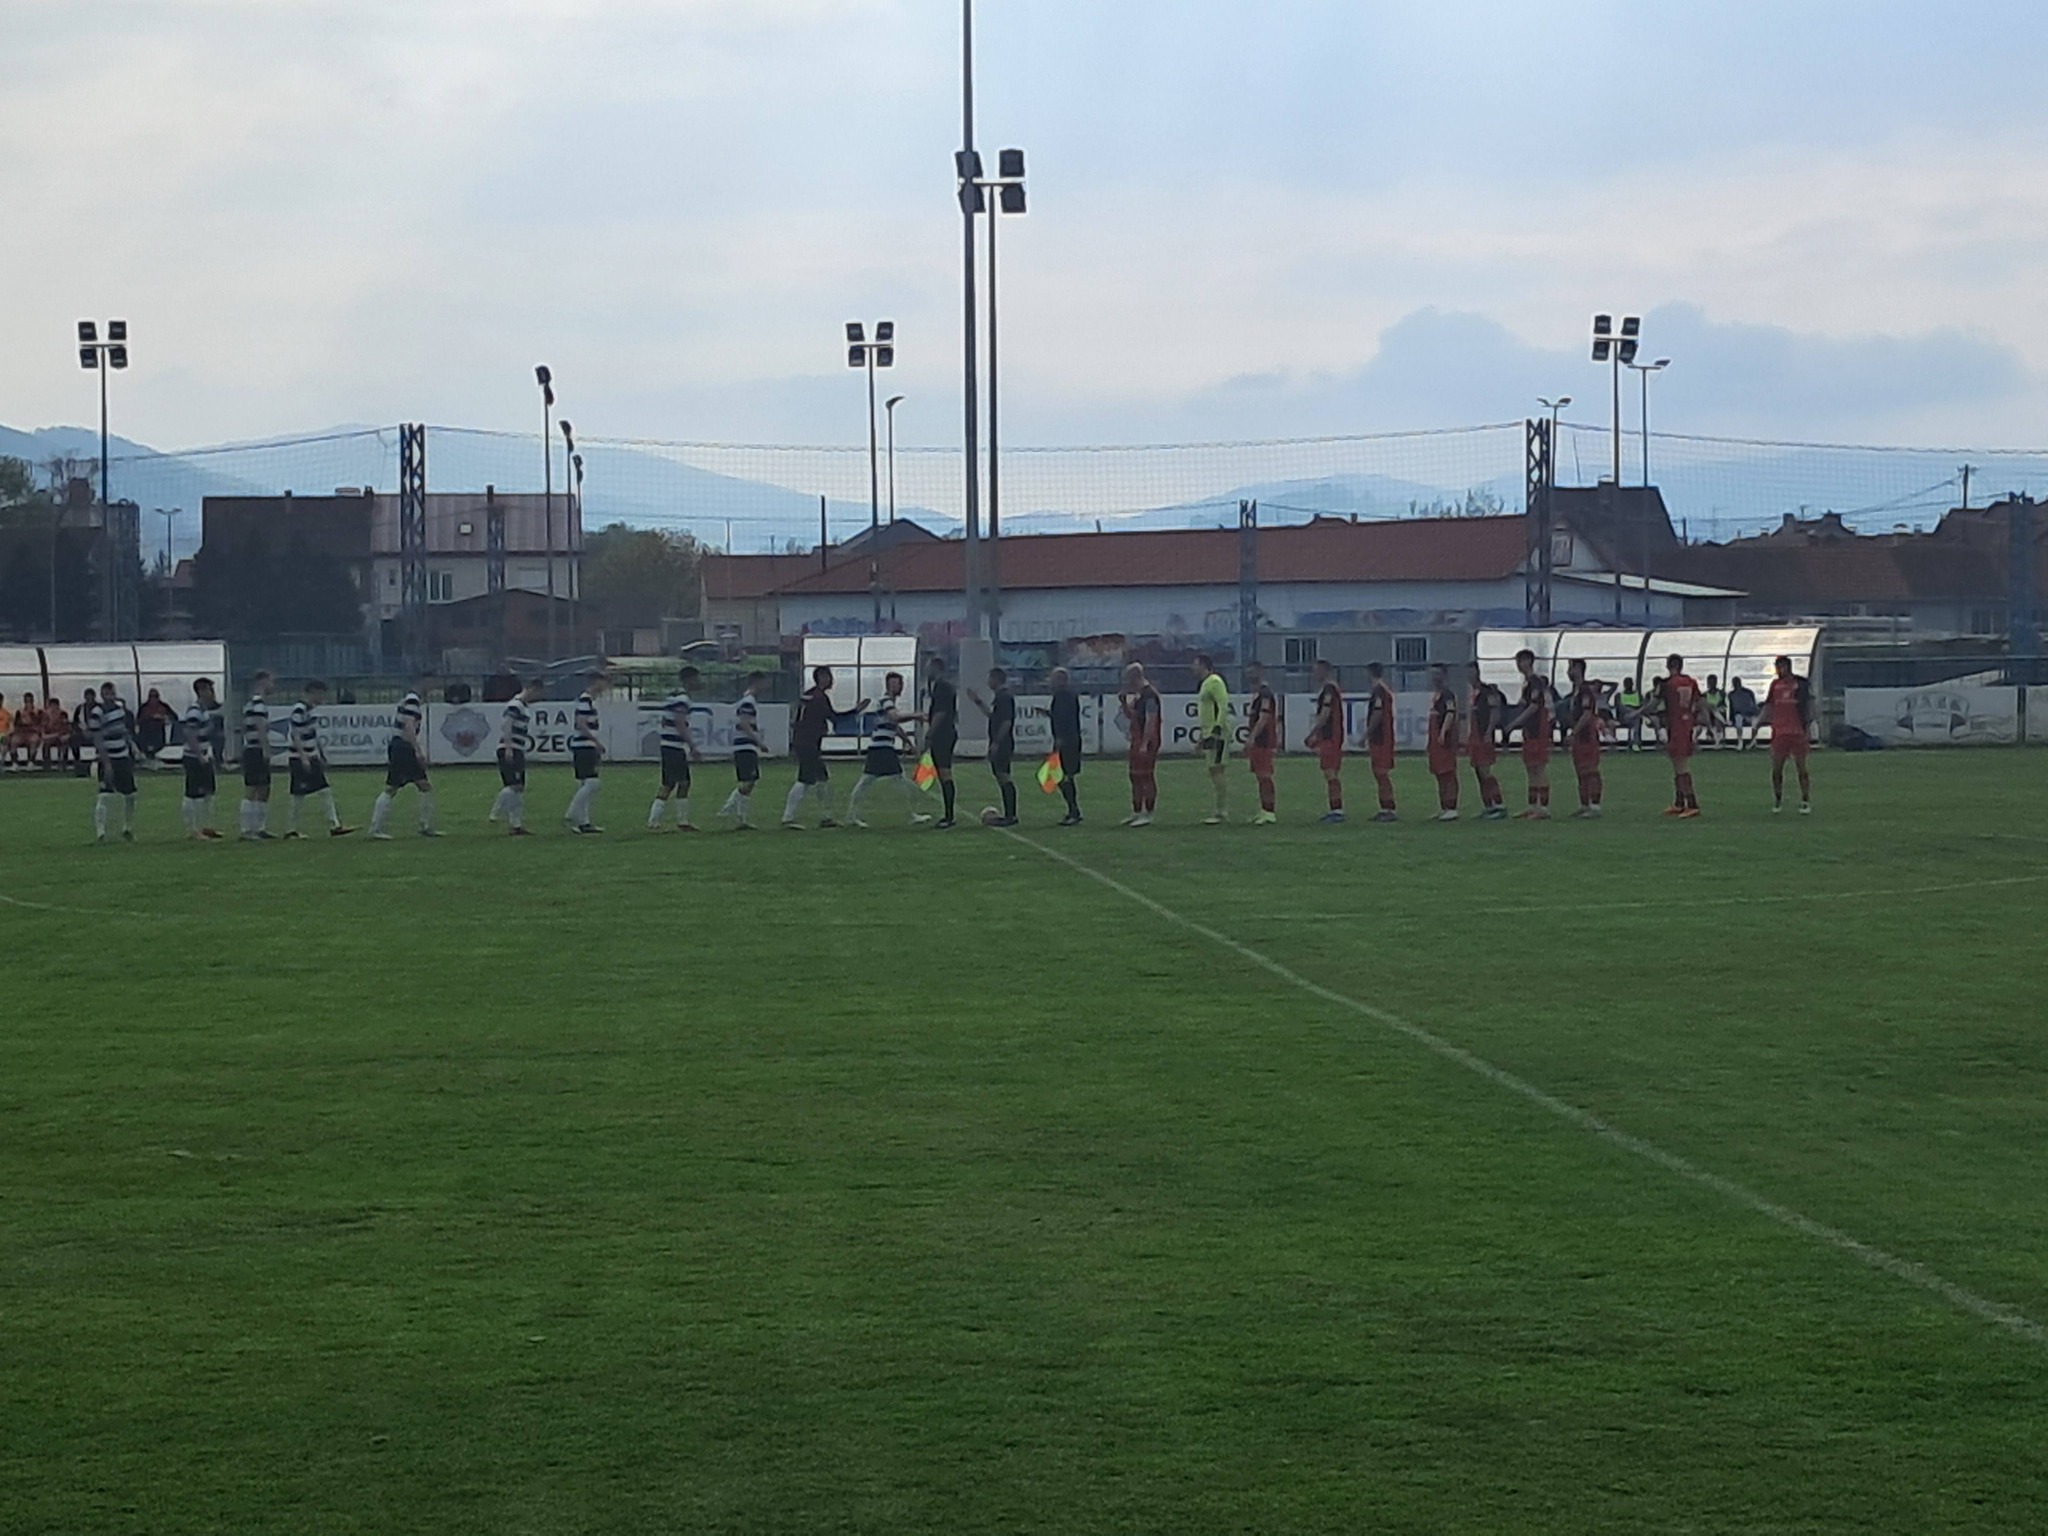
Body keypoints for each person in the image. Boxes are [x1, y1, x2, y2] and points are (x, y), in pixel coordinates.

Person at [847, 671, 932, 828]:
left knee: (869, 782)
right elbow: (895, 718)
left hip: (880, 748)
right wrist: (917, 716)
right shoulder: (886, 701)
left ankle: (852, 815)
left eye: (899, 684)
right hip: (883, 749)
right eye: (894, 684)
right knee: (895, 781)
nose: (898, 687)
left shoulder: (888, 703)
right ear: (888, 686)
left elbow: (895, 726)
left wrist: (907, 742)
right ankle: (910, 815)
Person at [783, 666, 865, 828]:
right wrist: (855, 710)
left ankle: (825, 816)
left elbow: (797, 718)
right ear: (822, 677)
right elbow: (834, 718)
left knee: (821, 777)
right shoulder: (820, 698)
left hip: (802, 740)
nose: (832, 680)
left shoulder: (808, 695)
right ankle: (788, 817)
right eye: (829, 676)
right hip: (809, 742)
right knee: (806, 779)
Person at [370, 677, 440, 839]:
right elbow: (409, 726)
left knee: (423, 786)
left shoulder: (410, 700)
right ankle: (376, 829)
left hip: (401, 747)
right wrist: (417, 750)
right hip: (403, 748)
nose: (433, 687)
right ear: (424, 682)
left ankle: (425, 826)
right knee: (393, 788)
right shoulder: (412, 701)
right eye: (431, 683)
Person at [285, 679, 354, 838]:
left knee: (322, 790)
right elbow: (295, 735)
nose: (323, 697)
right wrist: (303, 757)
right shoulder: (299, 710)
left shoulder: (310, 711)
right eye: (321, 694)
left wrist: (320, 754)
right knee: (300, 793)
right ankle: (292, 829)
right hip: (300, 757)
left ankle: (333, 825)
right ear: (312, 692)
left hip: (310, 756)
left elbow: (312, 735)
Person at [649, 665, 702, 832]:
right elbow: (680, 723)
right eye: (696, 679)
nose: (698, 682)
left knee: (669, 783)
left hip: (668, 745)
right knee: (682, 782)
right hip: (674, 746)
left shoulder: (673, 696)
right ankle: (680, 821)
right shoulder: (682, 699)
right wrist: (692, 745)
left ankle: (656, 820)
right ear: (690, 679)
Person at [489, 678, 543, 836]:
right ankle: (495, 812)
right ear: (532, 689)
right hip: (511, 748)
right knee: (514, 785)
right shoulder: (515, 705)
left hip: (517, 748)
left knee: (518, 789)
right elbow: (506, 725)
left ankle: (516, 825)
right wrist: (508, 747)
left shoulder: (522, 706)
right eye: (537, 693)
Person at [1652, 653, 1703, 817]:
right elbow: (1699, 702)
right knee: (1677, 764)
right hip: (1686, 723)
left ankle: (1692, 803)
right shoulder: (1690, 682)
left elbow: (1654, 703)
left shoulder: (1667, 684)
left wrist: (1638, 713)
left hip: (1676, 726)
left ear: (1668, 666)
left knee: (1681, 766)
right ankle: (1679, 802)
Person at [966, 666, 1019, 826]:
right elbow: (994, 717)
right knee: (1001, 776)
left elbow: (1006, 722)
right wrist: (978, 702)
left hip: (1003, 743)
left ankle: (1011, 815)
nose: (988, 682)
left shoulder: (1005, 697)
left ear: (996, 679)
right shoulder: (1000, 697)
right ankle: (1009, 814)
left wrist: (997, 742)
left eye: (990, 678)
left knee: (1003, 776)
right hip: (1000, 741)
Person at [716, 671, 768, 829]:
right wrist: (759, 741)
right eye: (764, 682)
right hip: (745, 745)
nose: (766, 686)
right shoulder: (748, 702)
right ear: (757, 682)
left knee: (749, 781)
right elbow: (744, 724)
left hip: (744, 745)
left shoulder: (746, 700)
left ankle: (741, 818)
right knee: (748, 781)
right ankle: (728, 808)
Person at [1506, 648, 1553, 820]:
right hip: (1529, 729)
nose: (1518, 665)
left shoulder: (1535, 682)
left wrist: (1515, 723)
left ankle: (1543, 807)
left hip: (1537, 728)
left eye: (1521, 661)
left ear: (1528, 662)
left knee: (1538, 767)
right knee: (1530, 767)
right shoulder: (1527, 684)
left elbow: (1534, 706)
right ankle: (1533, 805)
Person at [1765, 655, 1814, 814]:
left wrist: (1809, 726)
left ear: (1788, 667)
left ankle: (1805, 800)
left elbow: (1808, 706)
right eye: (1777, 667)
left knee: (1801, 768)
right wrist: (1758, 724)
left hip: (1797, 731)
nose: (1779, 670)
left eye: (1781, 667)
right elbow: (1769, 706)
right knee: (1776, 769)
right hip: (1779, 732)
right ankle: (1778, 799)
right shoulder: (1775, 685)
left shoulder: (1799, 684)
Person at [91, 682, 139, 843]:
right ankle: (101, 832)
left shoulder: (119, 710)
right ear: (102, 695)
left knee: (131, 794)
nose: (110, 696)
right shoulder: (97, 713)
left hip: (122, 756)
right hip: (108, 757)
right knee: (105, 794)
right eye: (106, 693)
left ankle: (127, 828)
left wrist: (132, 745)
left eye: (111, 693)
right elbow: (97, 739)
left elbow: (123, 730)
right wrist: (106, 763)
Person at [562, 669, 607, 834]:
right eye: (603, 682)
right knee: (593, 783)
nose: (605, 686)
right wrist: (595, 742)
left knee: (584, 783)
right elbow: (581, 723)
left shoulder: (589, 701)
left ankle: (584, 822)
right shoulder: (585, 700)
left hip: (585, 745)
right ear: (596, 682)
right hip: (584, 746)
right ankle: (572, 813)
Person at [1118, 662, 1163, 826]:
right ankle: (1137, 811)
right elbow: (1133, 716)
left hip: (1147, 740)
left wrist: (1145, 743)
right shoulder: (1139, 696)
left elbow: (1151, 720)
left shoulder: (1150, 695)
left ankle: (1148, 813)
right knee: (1134, 775)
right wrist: (1124, 703)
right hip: (1137, 739)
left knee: (1146, 775)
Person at [179, 678, 224, 840]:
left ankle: (206, 827)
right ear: (202, 691)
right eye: (210, 690)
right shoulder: (194, 711)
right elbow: (189, 734)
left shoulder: (204, 710)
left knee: (208, 793)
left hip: (205, 755)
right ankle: (193, 830)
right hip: (194, 757)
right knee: (194, 794)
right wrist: (199, 755)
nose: (213, 694)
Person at [1304, 658, 1346, 824]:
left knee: (1330, 772)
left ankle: (1337, 810)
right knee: (1329, 772)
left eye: (1316, 671)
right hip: (1330, 736)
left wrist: (1314, 733)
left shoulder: (1329, 689)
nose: (1314, 674)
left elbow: (1325, 713)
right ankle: (1335, 808)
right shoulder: (1329, 689)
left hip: (1331, 736)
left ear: (1324, 671)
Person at [923, 655, 961, 829]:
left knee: (945, 772)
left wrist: (930, 733)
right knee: (942, 773)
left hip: (943, 734)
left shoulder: (942, 686)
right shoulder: (942, 686)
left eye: (929, 667)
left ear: (936, 668)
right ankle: (948, 814)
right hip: (945, 733)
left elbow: (941, 712)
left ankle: (949, 816)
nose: (926, 670)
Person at [1565, 658, 1605, 819]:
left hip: (1587, 736)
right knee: (1580, 771)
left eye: (1571, 668)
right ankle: (1584, 804)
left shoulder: (1585, 691)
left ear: (1579, 670)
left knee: (1590, 770)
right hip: (1579, 738)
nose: (1568, 672)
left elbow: (1587, 714)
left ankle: (1595, 805)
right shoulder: (1575, 692)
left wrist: (1574, 732)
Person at [238, 670, 276, 841]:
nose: (273, 686)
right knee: (253, 788)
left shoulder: (249, 705)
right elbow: (260, 728)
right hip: (256, 750)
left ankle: (258, 828)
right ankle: (247, 829)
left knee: (263, 788)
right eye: (271, 682)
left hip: (251, 748)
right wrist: (266, 749)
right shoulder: (258, 705)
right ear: (263, 681)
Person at [1465, 665, 1507, 821]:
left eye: (1472, 672)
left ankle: (1499, 804)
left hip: (1483, 735)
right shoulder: (1473, 693)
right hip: (1475, 736)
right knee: (1478, 771)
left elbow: (1495, 712)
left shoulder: (1487, 691)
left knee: (1485, 771)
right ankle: (1488, 806)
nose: (1469, 676)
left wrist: (1489, 731)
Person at [1194, 654, 1231, 824]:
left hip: (1217, 734)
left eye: (1195, 664)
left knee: (1217, 769)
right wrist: (1202, 737)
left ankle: (1221, 811)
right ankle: (1219, 809)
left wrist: (1217, 728)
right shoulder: (1205, 684)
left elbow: (1222, 705)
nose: (1193, 667)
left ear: (1203, 665)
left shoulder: (1215, 682)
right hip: (1209, 732)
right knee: (1213, 770)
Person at [1360, 660, 1398, 822]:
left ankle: (1389, 808)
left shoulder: (1380, 691)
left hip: (1382, 738)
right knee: (1379, 773)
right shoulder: (1381, 691)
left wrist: (1366, 734)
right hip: (1380, 738)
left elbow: (1378, 713)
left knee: (1382, 773)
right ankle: (1384, 807)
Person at [1245, 661, 1280, 825]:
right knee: (1260, 776)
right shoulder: (1258, 694)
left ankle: (1270, 811)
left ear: (1260, 672)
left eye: (1252, 672)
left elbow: (1264, 716)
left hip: (1264, 739)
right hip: (1259, 740)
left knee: (1265, 775)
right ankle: (1264, 809)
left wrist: (1252, 736)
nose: (1249, 676)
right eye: (1248, 673)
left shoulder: (1265, 693)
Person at [1048, 667, 1084, 826]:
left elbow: (1064, 719)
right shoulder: (1067, 695)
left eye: (1054, 679)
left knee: (1063, 775)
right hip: (1070, 739)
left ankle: (1074, 811)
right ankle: (1073, 810)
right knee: (1061, 775)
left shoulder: (1063, 695)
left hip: (1067, 741)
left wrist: (1060, 738)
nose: (1051, 682)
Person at [1425, 664, 1460, 821]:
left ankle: (1452, 807)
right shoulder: (1436, 696)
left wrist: (1443, 732)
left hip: (1444, 739)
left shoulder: (1447, 695)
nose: (1434, 678)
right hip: (1434, 739)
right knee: (1438, 773)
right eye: (1433, 674)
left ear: (1444, 676)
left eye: (1438, 674)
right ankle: (1444, 806)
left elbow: (1450, 713)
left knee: (1448, 772)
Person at [135, 687, 175, 760]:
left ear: (158, 697)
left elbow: (174, 718)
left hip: (159, 733)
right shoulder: (143, 707)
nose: (153, 698)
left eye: (155, 696)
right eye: (151, 696)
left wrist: (163, 717)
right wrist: (149, 717)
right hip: (146, 733)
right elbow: (138, 721)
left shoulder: (164, 706)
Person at [1727, 676, 1760, 750]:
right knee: (1738, 720)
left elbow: (1754, 704)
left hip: (1750, 714)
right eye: (1734, 683)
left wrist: (1755, 712)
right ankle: (1740, 741)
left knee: (1755, 721)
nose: (1736, 684)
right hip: (1739, 714)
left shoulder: (1748, 692)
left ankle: (1753, 740)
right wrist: (1730, 718)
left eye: (1737, 682)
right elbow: (1731, 708)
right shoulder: (1731, 694)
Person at [1618, 675, 1645, 752]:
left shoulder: (1638, 695)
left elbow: (1642, 705)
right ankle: (1635, 743)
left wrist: (1635, 712)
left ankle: (1634, 742)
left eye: (1629, 683)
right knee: (1635, 718)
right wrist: (1634, 711)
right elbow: (1621, 708)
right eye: (1627, 683)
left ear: (1632, 684)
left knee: (1636, 719)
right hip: (1625, 717)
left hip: (1635, 716)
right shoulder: (1619, 695)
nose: (1628, 685)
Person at [1703, 674, 1729, 748]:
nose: (1711, 684)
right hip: (1708, 714)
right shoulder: (1705, 695)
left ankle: (1718, 740)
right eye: (1710, 682)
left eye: (1713, 682)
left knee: (1717, 720)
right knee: (1710, 709)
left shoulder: (1721, 693)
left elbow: (1724, 705)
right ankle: (1714, 734)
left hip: (1719, 713)